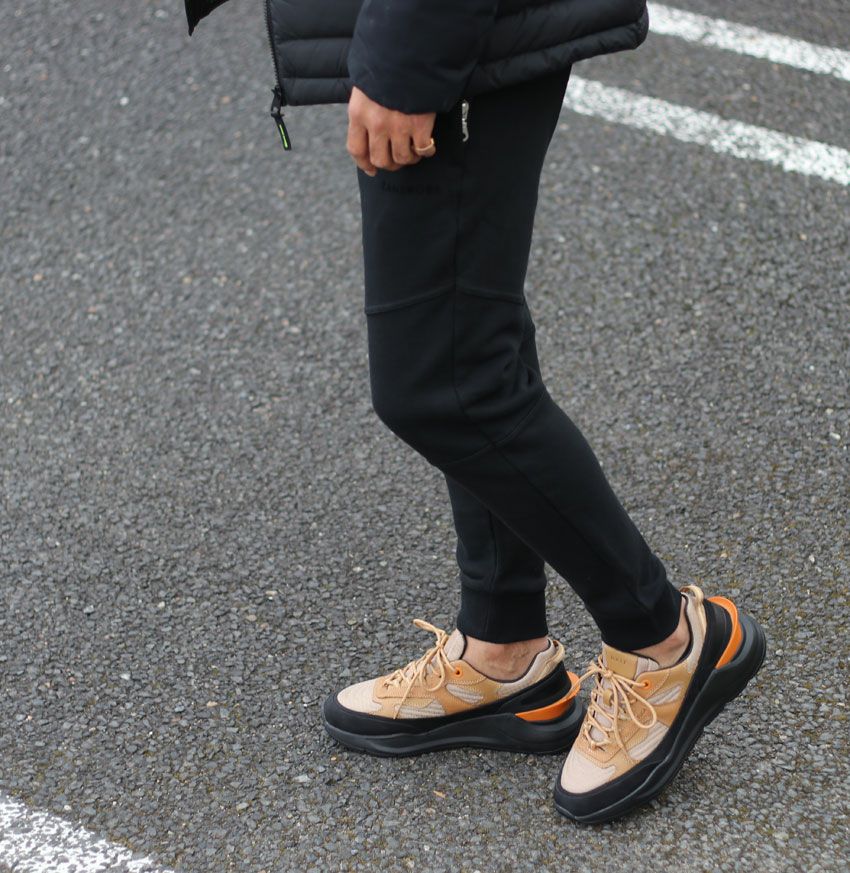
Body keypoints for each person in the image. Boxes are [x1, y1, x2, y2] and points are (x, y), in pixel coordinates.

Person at [184, 0, 766, 826]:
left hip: (446, 25)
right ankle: (505, 648)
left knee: (443, 384)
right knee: (467, 342)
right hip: (436, 28)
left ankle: (665, 637)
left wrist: (404, 59)